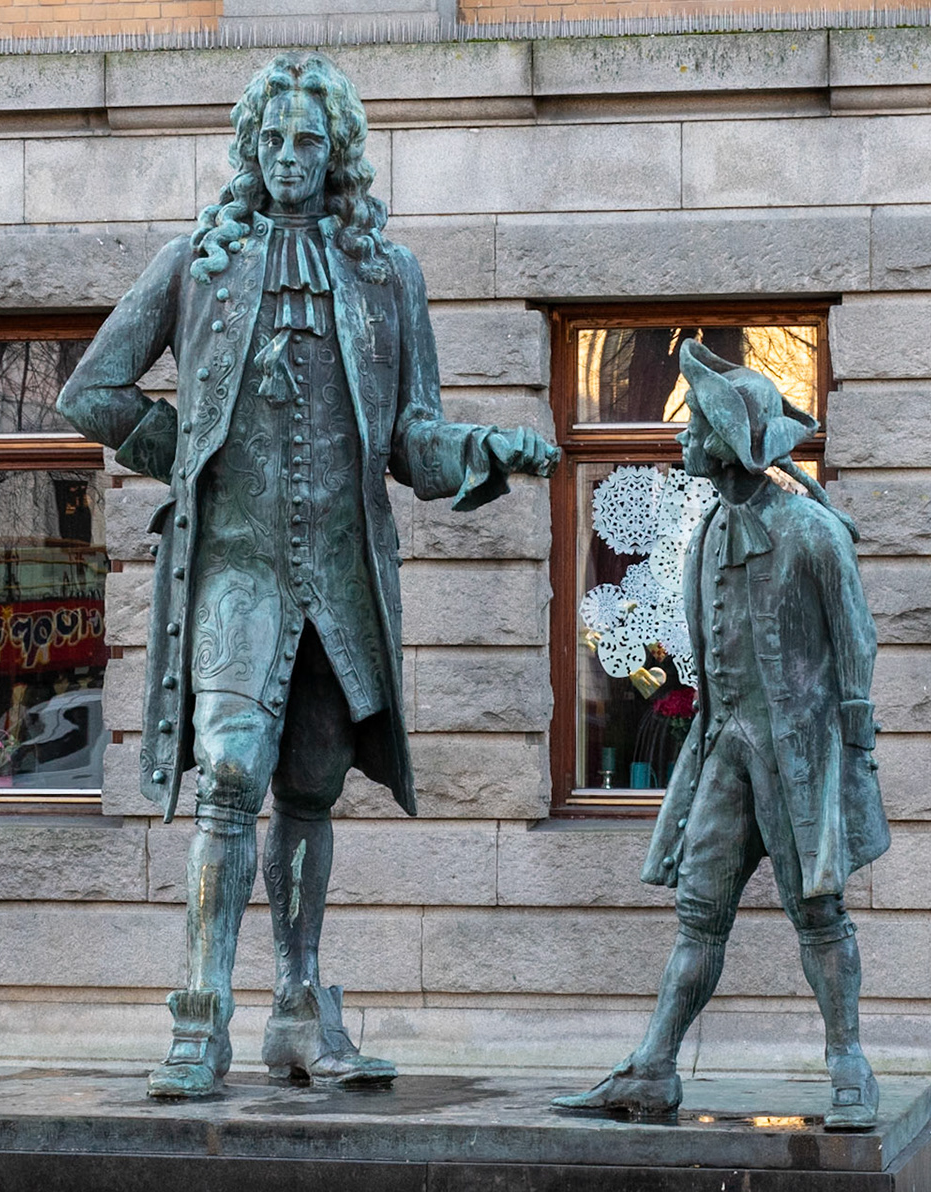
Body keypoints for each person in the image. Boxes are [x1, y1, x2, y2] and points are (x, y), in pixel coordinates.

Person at [58, 53, 558, 1098]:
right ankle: (200, 1017)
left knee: (312, 789)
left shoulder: (389, 276)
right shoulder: (198, 262)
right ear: (250, 149)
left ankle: (299, 1005)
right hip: (237, 567)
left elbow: (413, 445)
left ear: (339, 156)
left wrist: (486, 451)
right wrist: (187, 443)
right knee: (231, 770)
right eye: (272, 140)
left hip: (340, 576)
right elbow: (93, 391)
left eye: (309, 142)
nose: (289, 159)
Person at [553, 340, 891, 1130]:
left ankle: (849, 1067)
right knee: (699, 915)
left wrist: (853, 748)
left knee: (820, 915)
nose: (680, 438)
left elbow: (857, 642)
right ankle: (654, 1067)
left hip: (800, 758)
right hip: (725, 751)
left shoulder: (811, 532)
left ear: (727, 442)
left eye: (693, 425)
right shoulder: (706, 533)